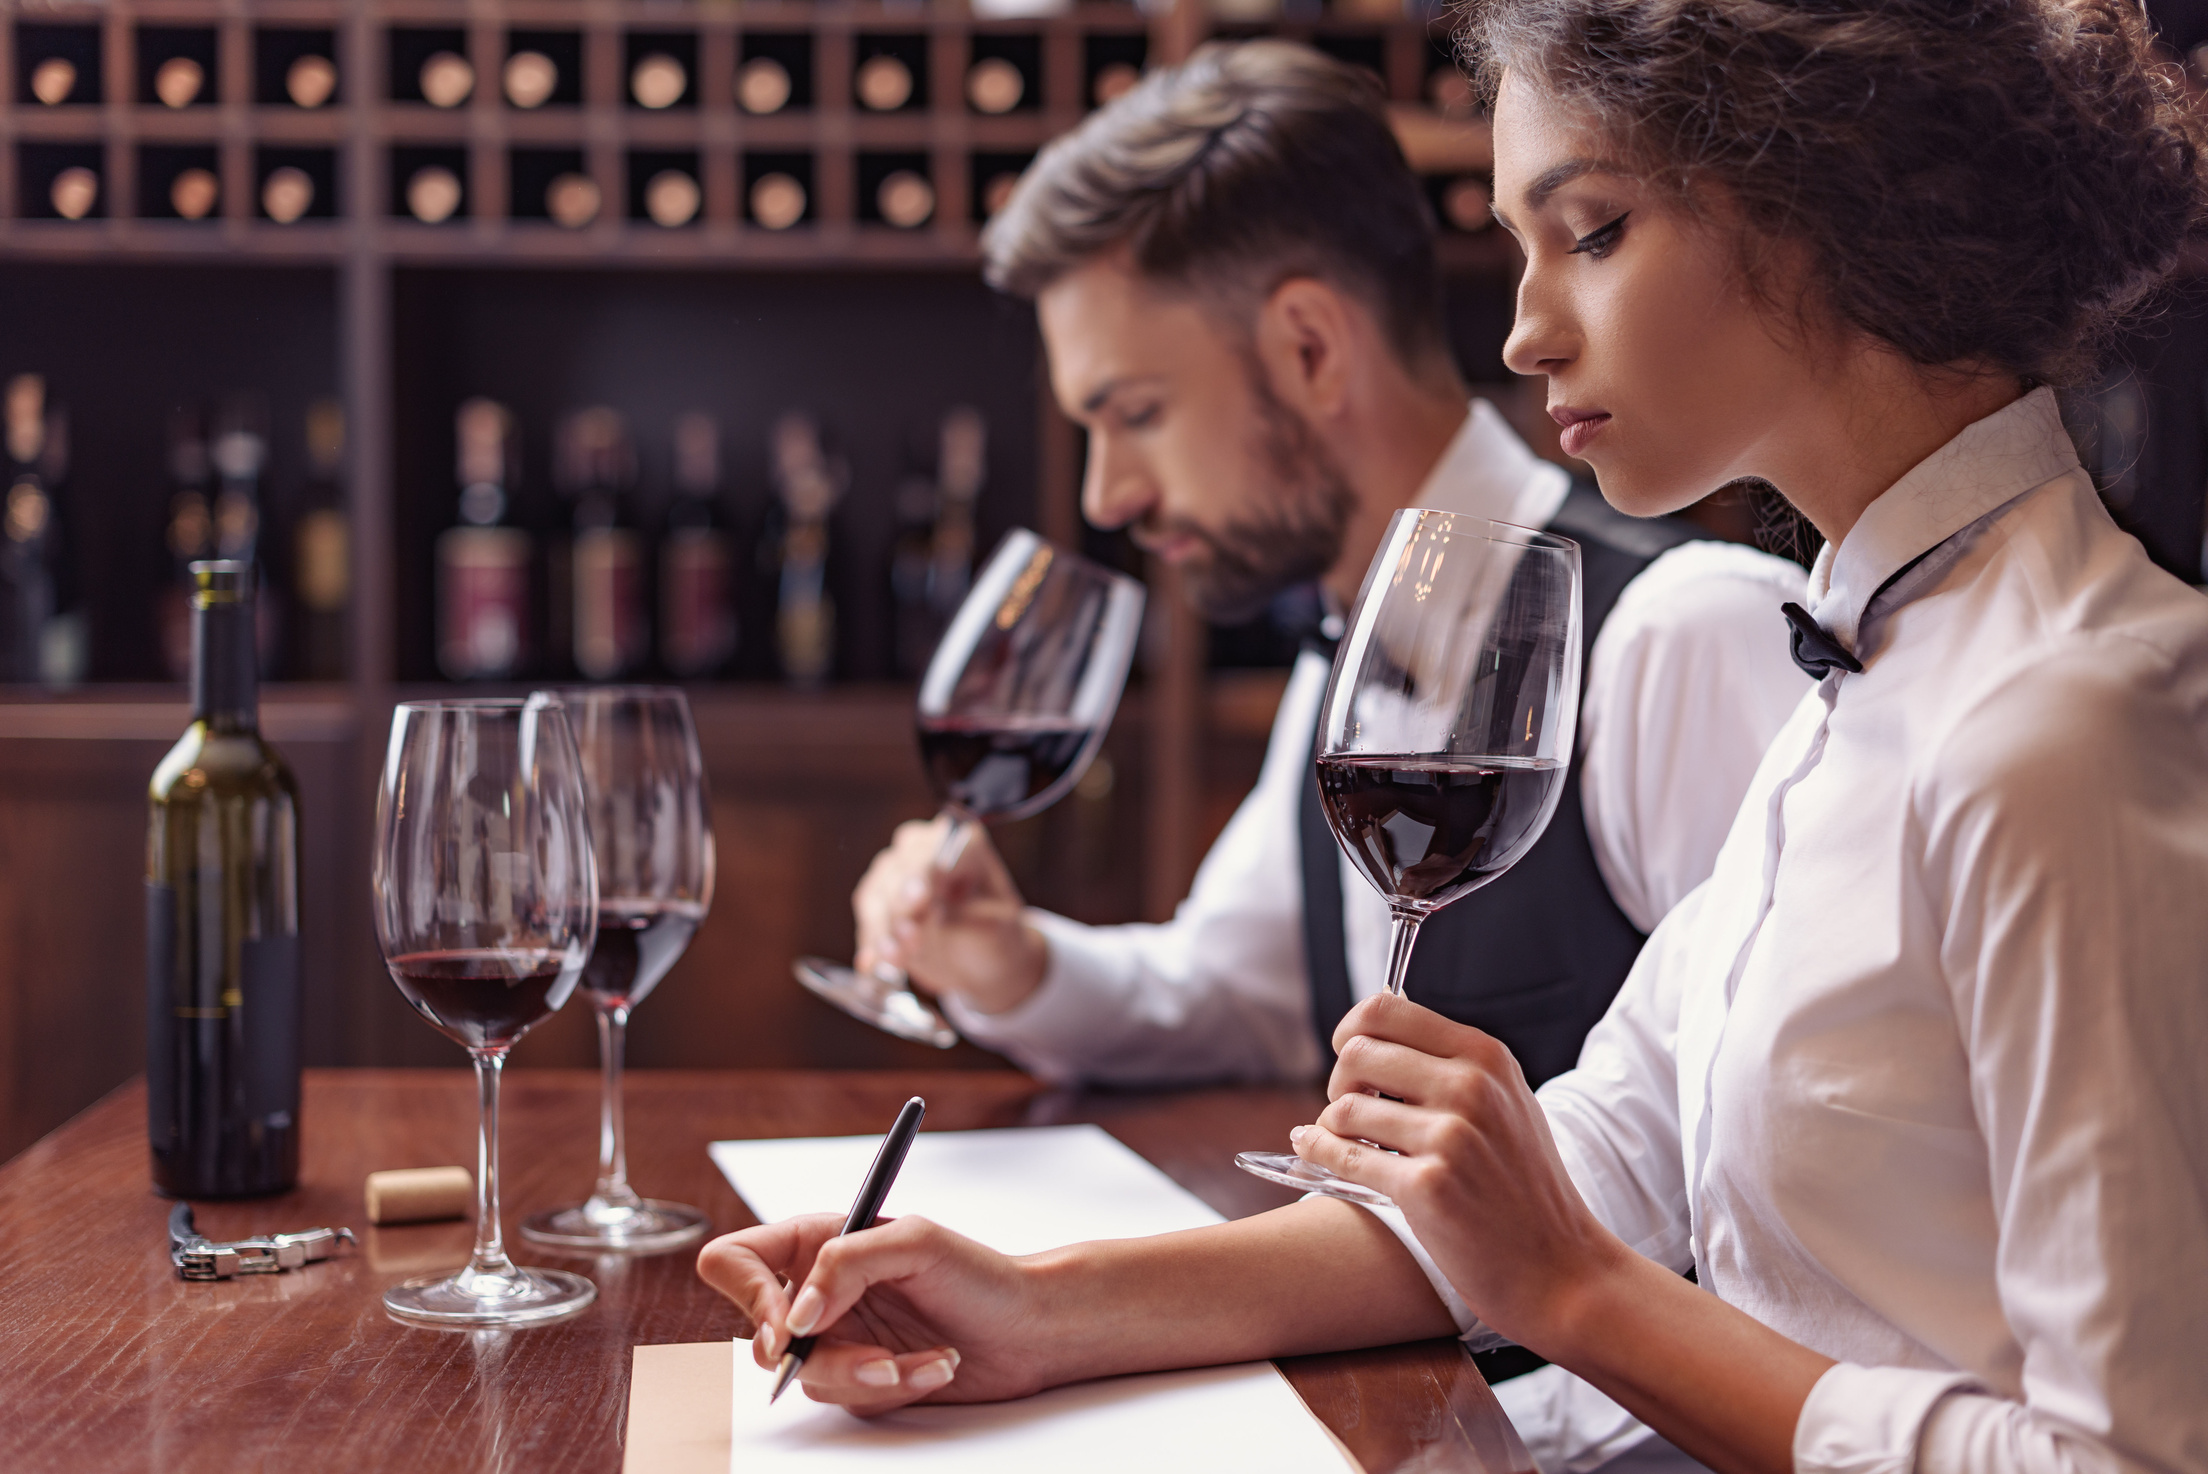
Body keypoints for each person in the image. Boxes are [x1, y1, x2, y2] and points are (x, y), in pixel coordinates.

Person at [702, 2, 2208, 1470]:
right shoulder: (1866, 674)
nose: (1525, 329)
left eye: (1595, 231)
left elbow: (2126, 1453)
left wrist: (1575, 1294)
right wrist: (1030, 1309)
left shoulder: (2068, 720)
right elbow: (1604, 1157)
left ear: (1834, 196)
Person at [849, 40, 1808, 1098]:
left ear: (1309, 348)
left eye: (1136, 415)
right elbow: (1241, 995)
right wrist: (1017, 966)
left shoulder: (1683, 637)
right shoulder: (1345, 649)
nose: (1105, 498)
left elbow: (1773, 1148)